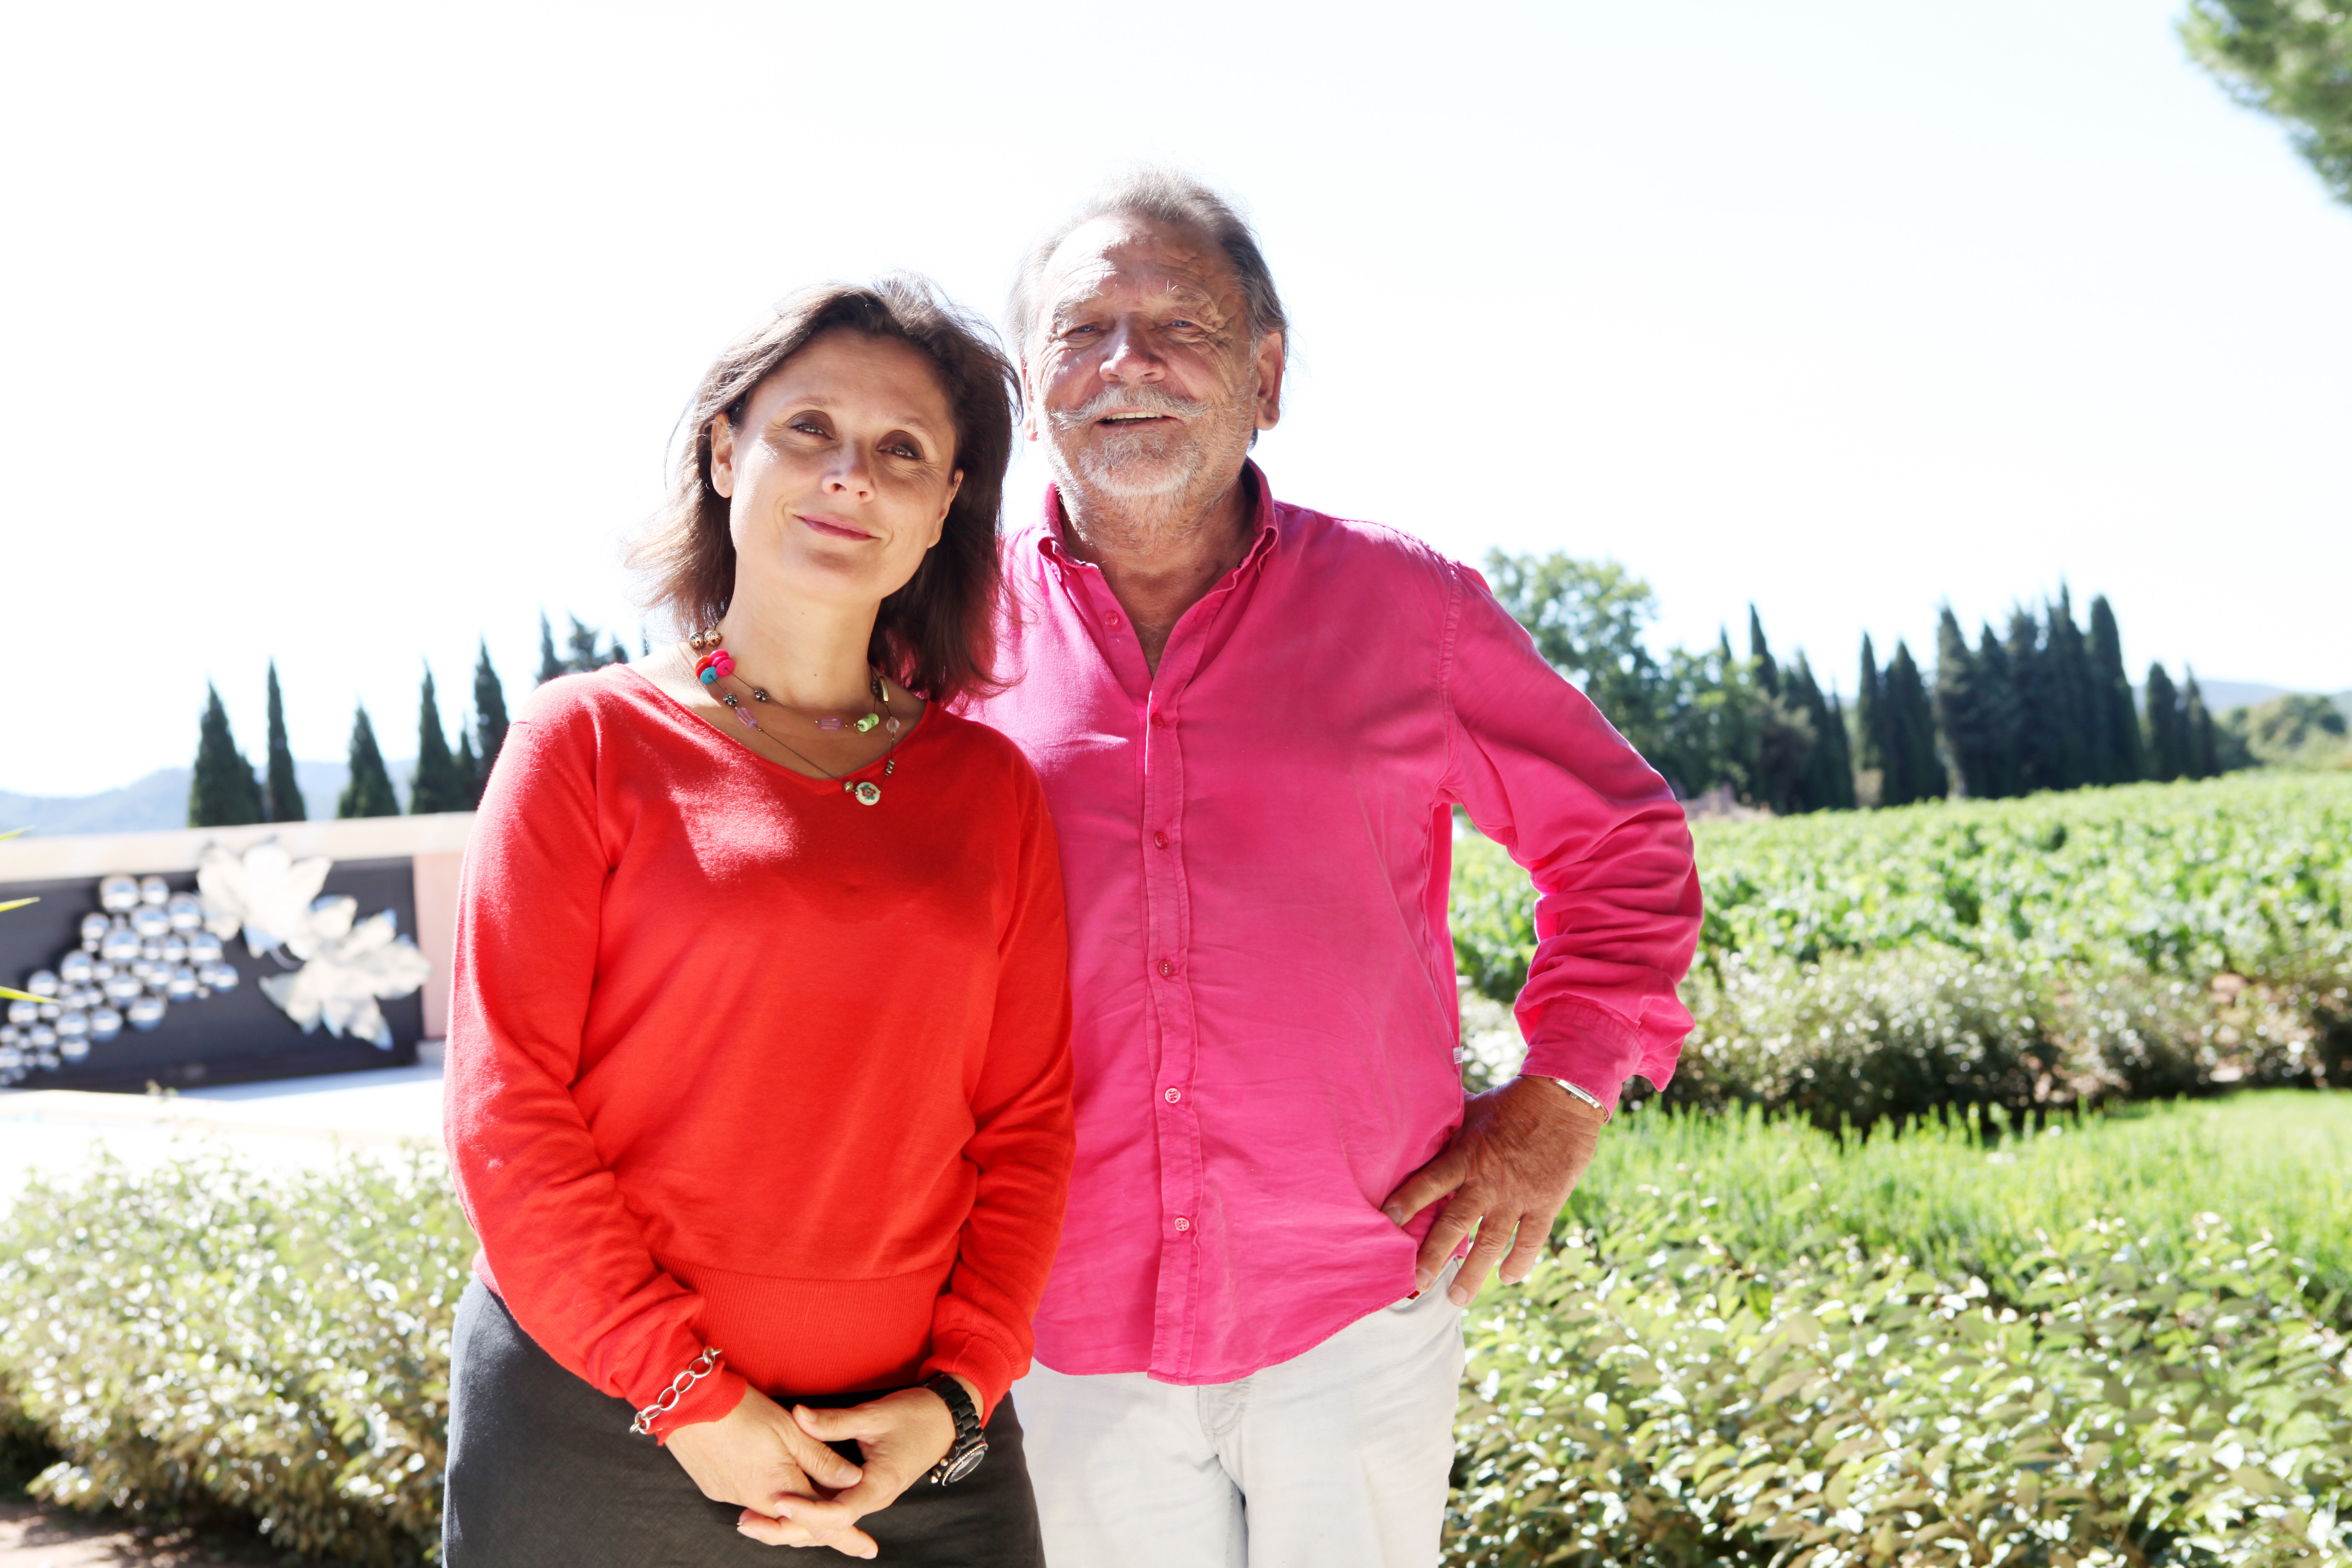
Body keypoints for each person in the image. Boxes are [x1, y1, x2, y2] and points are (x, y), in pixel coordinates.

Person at [965, 174, 1705, 1567]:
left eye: (1181, 325)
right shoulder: (941, 639)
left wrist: (1560, 1101)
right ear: (1027, 385)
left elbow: (1623, 841)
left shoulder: (1407, 608)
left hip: (1358, 1303)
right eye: (1083, 331)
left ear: (1267, 376)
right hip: (1059, 1328)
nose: (1128, 363)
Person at [441, 276, 1075, 1567]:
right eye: (809, 430)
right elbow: (508, 1114)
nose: (852, 475)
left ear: (944, 507)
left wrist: (959, 1392)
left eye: (903, 451)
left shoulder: (991, 790)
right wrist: (685, 1394)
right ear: (727, 453)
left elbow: (1026, 1129)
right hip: (602, 1432)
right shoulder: (585, 742)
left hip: (921, 1453)